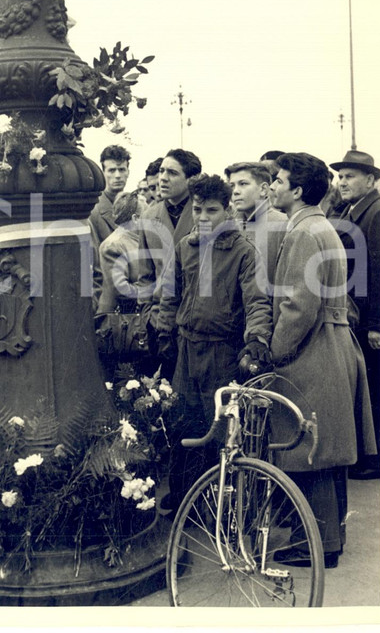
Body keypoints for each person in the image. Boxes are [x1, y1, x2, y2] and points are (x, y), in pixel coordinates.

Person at [268, 152, 376, 568]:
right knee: (327, 446)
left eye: (278, 180)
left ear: (296, 190)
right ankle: (330, 538)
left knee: (309, 447)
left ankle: (314, 545)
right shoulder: (320, 225)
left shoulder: (303, 232)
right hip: (333, 344)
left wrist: (276, 352)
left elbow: (298, 306)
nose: (272, 185)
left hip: (313, 349)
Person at [156, 174, 273, 510]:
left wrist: (256, 339)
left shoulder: (243, 252)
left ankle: (216, 506)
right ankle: (183, 499)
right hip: (186, 349)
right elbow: (170, 295)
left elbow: (257, 302)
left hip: (222, 353)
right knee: (184, 425)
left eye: (211, 211)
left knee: (219, 430)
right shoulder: (185, 248)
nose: (203, 218)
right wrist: (165, 332)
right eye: (197, 210)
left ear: (227, 211)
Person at [330, 150, 380, 479]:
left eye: (350, 176)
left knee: (374, 385)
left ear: (371, 180)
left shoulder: (376, 211)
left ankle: (375, 460)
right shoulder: (354, 209)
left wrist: (377, 323)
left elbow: (378, 271)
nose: (342, 181)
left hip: (367, 316)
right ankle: (369, 455)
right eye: (340, 176)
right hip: (357, 312)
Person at [137, 149, 202, 378]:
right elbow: (144, 273)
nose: (163, 177)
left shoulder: (205, 214)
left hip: (195, 323)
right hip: (159, 323)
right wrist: (147, 313)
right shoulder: (149, 217)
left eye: (172, 173)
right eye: (162, 170)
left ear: (191, 180)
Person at [95, 191, 149, 380]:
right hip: (119, 328)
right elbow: (122, 290)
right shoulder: (115, 245)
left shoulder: (134, 241)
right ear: (135, 218)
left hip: (131, 324)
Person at [224, 161, 287, 295]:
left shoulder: (284, 225)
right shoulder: (229, 225)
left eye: (243, 184)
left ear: (263, 189)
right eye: (232, 185)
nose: (235, 191)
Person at [89, 145, 131, 246]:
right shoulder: (93, 210)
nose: (117, 176)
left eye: (121, 170)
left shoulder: (136, 205)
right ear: (103, 173)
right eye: (112, 170)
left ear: (128, 172)